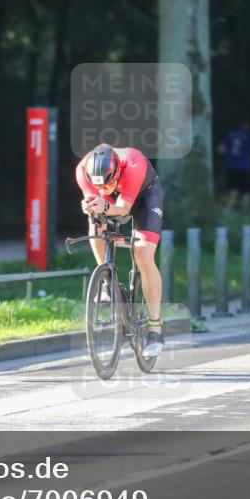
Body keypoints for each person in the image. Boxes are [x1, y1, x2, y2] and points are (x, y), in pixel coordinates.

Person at [76, 143, 164, 357]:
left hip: (144, 196)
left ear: (115, 169)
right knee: (95, 222)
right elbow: (96, 202)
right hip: (113, 199)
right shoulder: (82, 171)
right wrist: (91, 205)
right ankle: (106, 280)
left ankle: (155, 327)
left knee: (143, 254)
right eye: (100, 185)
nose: (104, 189)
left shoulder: (133, 164)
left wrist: (104, 205)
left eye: (108, 182)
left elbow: (123, 209)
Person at [217, 122, 250, 208]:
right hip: (246, 167)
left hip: (231, 167)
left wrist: (231, 153)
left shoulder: (231, 135)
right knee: (247, 192)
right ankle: (244, 213)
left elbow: (220, 150)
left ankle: (227, 212)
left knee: (233, 193)